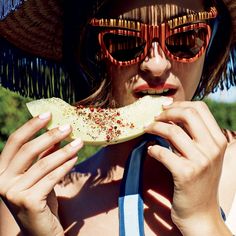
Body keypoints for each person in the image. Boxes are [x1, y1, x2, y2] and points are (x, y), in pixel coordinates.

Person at [0, 0, 235, 235]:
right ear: (93, 52)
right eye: (125, 41)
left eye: (184, 37)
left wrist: (204, 219)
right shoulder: (33, 199)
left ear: (211, 40)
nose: (156, 65)